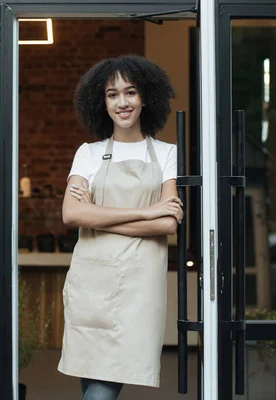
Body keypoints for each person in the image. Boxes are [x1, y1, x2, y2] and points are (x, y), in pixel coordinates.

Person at [57, 54, 183, 400]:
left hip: (139, 291)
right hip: (91, 284)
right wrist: (146, 213)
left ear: (146, 98)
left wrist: (97, 214)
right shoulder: (89, 153)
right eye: (112, 94)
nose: (122, 102)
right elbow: (71, 214)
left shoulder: (167, 153)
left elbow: (169, 222)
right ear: (102, 102)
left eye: (130, 92)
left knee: (101, 390)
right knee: (92, 379)